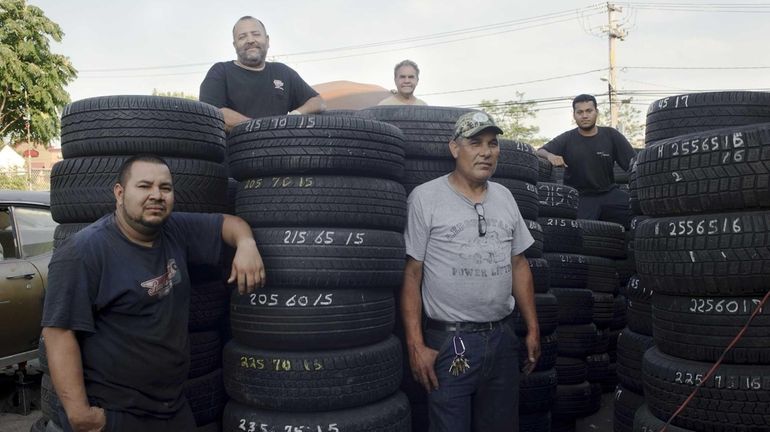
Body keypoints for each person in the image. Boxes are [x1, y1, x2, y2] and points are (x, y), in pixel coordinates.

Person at [41, 155, 266, 432]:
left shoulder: (175, 230)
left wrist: (246, 243)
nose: (156, 196)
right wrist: (81, 416)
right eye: (144, 186)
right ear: (120, 193)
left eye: (166, 188)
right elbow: (59, 333)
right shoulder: (83, 252)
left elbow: (228, 224)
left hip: (171, 407)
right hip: (117, 413)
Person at [401, 111, 540, 432]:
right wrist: (415, 345)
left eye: (492, 144)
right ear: (454, 148)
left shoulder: (505, 197)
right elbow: (412, 275)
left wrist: (532, 327)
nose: (486, 152)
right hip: (450, 342)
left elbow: (519, 264)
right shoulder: (425, 198)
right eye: (475, 143)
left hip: (502, 338)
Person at [199, 16, 325, 131]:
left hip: (282, 152)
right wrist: (263, 131)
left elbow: (318, 101)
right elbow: (211, 112)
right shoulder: (220, 72)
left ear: (267, 40)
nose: (250, 40)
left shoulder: (283, 72)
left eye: (256, 34)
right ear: (235, 45)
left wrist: (295, 115)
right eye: (242, 37)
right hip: (236, 154)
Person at [537, 94, 636, 227]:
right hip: (580, 197)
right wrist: (550, 156)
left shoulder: (611, 135)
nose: (584, 116)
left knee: (639, 214)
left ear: (596, 112)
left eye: (589, 111)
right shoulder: (567, 138)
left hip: (609, 193)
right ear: (574, 115)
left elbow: (634, 166)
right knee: (580, 233)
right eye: (580, 112)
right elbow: (539, 151)